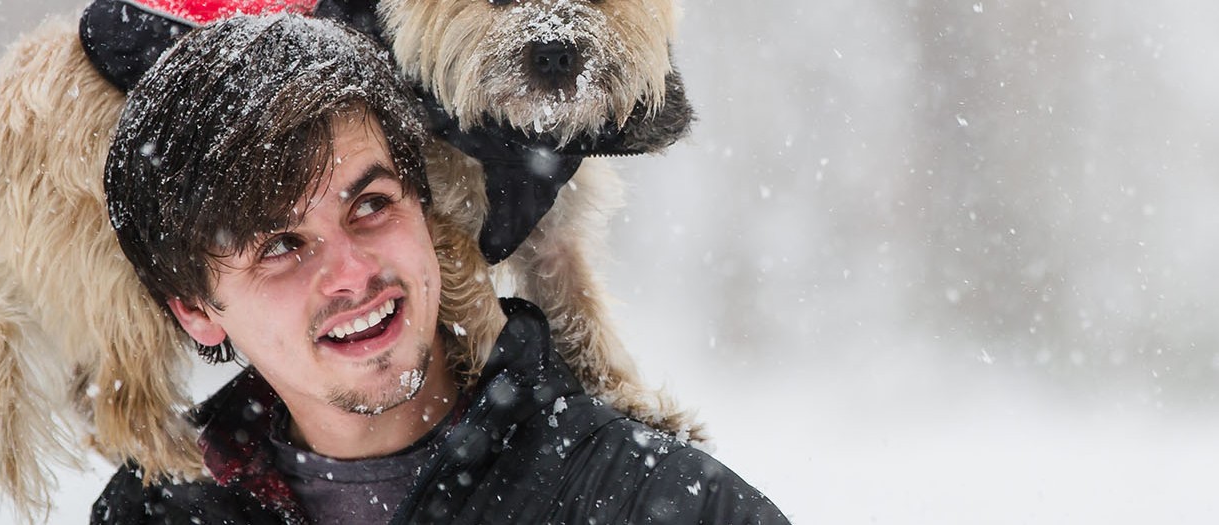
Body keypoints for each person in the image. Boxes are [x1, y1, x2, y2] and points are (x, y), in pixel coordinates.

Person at [96, 14, 790, 525]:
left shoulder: (662, 505)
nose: (351, 271)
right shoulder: (147, 513)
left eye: (370, 204)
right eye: (280, 245)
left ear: (426, 206)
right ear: (190, 306)